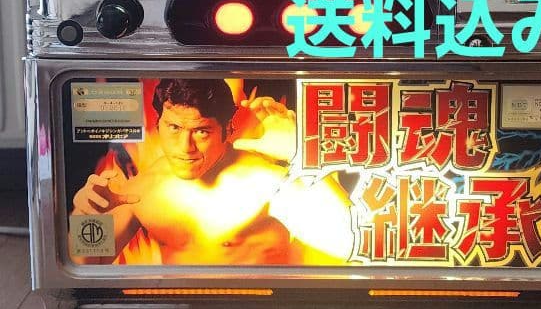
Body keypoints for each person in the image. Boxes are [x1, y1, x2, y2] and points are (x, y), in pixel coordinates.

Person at [70, 78, 353, 266]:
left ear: (226, 130)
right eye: (174, 128)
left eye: (201, 131)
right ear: (159, 125)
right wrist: (85, 218)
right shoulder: (142, 190)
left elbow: (350, 245)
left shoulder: (267, 181)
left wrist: (302, 154)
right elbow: (87, 264)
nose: (185, 147)